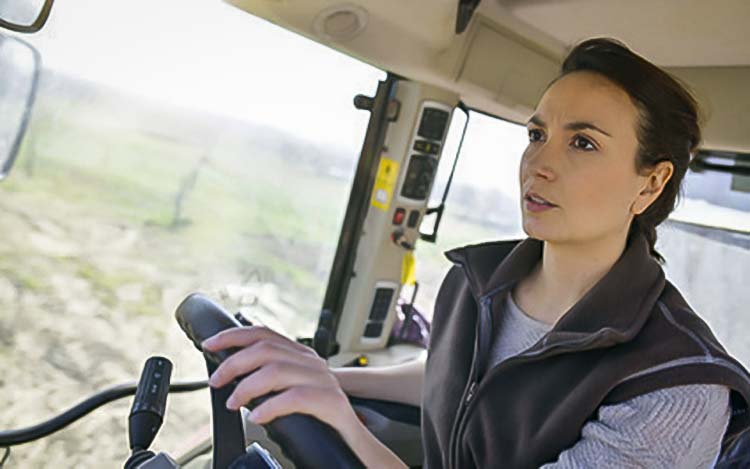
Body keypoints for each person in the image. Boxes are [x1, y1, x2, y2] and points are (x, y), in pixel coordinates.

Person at [201, 38, 750, 468]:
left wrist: (342, 421)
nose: (539, 165)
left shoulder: (679, 388)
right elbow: (458, 376)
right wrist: (325, 376)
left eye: (583, 143)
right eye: (537, 135)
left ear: (650, 184)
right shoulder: (479, 283)